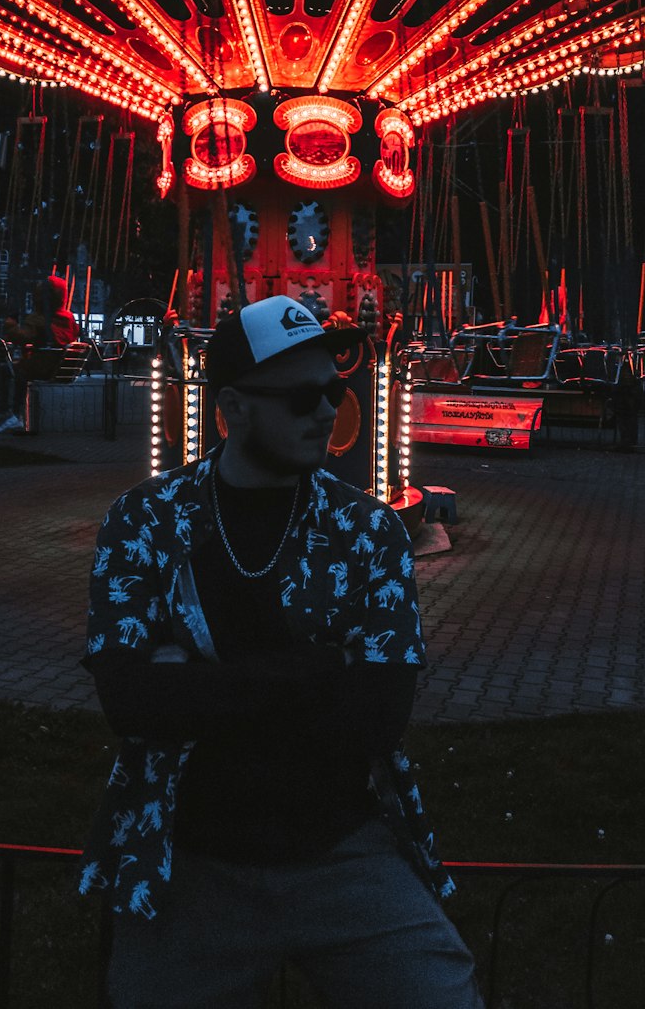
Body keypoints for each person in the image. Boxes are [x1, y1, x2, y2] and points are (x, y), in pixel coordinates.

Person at [79, 295, 484, 1009]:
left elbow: (379, 713)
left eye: (332, 389)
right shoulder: (146, 521)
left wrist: (200, 685)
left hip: (340, 849)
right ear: (233, 405)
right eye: (303, 396)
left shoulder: (367, 530)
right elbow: (131, 702)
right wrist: (314, 668)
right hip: (192, 856)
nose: (329, 410)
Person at [0, 273, 79, 435]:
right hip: (59, 366)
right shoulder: (68, 318)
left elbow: (21, 337)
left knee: (6, 370)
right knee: (19, 370)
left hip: (41, 367)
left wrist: (10, 324)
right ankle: (20, 417)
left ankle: (11, 413)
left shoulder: (40, 319)